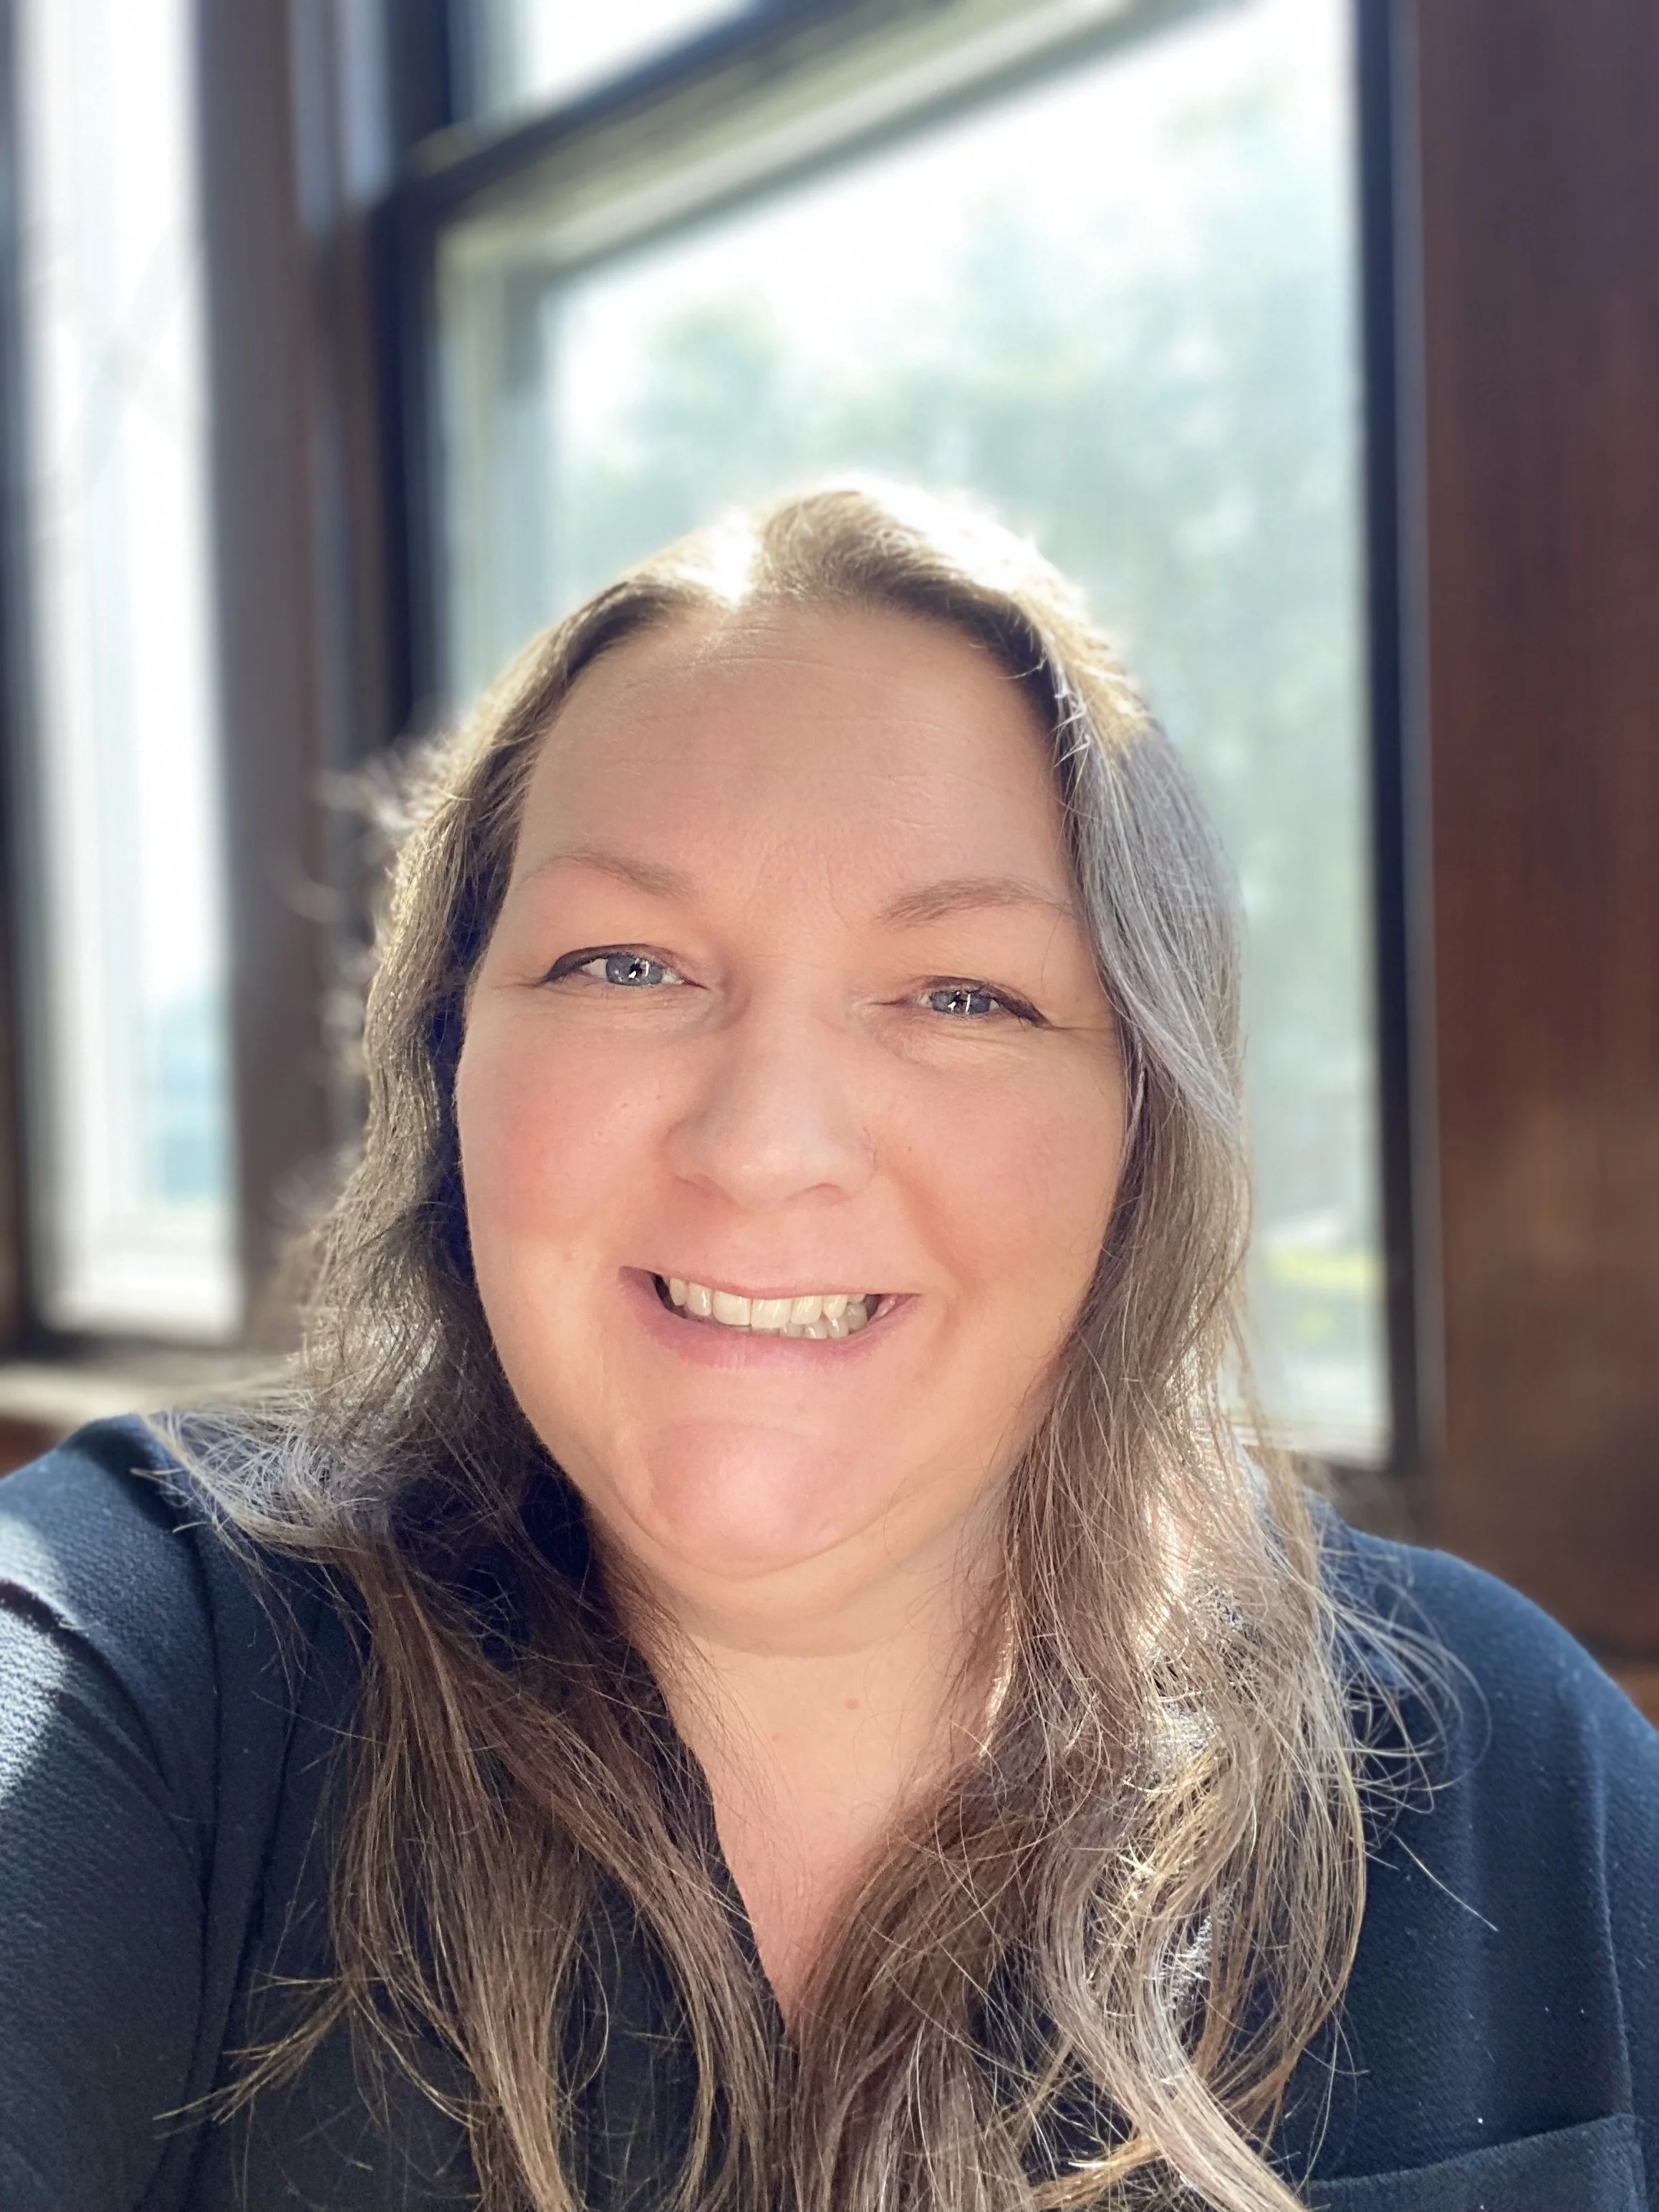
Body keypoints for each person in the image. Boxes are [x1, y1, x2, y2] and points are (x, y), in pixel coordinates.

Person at [1, 484, 1654, 2212]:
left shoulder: (1501, 1768)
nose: (766, 1140)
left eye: (962, 995)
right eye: (625, 962)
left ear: (1141, 1131)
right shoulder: (152, 1657)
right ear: (448, 1064)